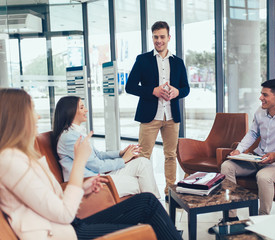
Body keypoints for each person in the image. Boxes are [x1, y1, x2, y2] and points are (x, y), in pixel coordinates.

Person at [0, 88, 182, 240]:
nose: (38, 117)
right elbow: (64, 213)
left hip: (70, 225)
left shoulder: (21, 156)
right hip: (64, 232)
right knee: (147, 203)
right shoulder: (10, 162)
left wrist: (83, 188)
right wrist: (79, 162)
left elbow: (50, 201)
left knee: (147, 201)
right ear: (18, 117)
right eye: (32, 110)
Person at [220, 79, 275, 220]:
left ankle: (263, 220)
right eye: (261, 94)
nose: (260, 98)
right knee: (226, 166)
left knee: (263, 177)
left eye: (265, 95)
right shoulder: (260, 112)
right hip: (256, 158)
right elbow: (253, 133)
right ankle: (230, 217)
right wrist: (239, 150)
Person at [125, 21, 190, 201]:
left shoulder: (178, 62)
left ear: (169, 38)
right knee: (143, 156)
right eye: (155, 37)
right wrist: (152, 90)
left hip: (171, 116)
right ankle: (144, 192)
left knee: (170, 155)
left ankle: (170, 191)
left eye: (162, 37)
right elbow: (129, 87)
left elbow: (186, 88)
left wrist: (177, 92)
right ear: (152, 37)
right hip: (149, 116)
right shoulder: (142, 59)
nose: (159, 40)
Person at [53, 96, 160, 199]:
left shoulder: (75, 132)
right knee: (139, 182)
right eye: (81, 107)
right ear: (70, 111)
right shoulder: (69, 138)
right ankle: (155, 211)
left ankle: (155, 210)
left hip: (98, 175)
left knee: (143, 162)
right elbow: (98, 166)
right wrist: (123, 160)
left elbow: (98, 155)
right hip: (90, 181)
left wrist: (120, 153)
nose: (86, 110)